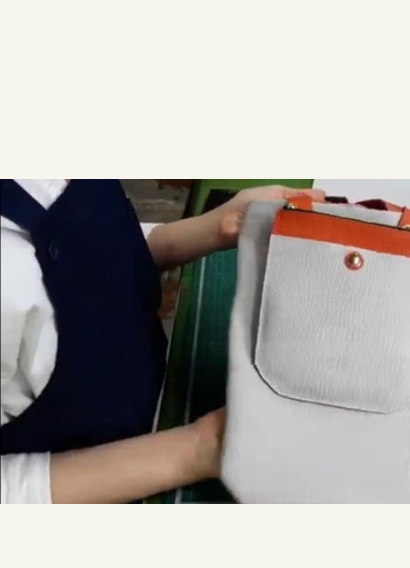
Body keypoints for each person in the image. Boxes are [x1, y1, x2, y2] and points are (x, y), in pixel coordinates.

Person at [0, 179, 325, 503]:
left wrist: (219, 226)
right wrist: (202, 447)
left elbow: (85, 250)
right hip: (105, 478)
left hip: (151, 384)